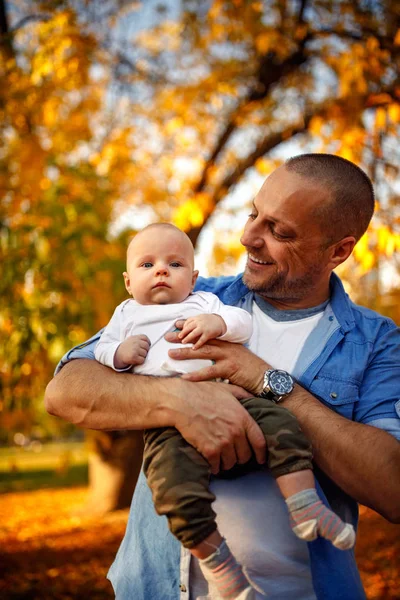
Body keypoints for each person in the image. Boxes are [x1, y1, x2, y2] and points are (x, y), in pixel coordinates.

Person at [45, 154, 400, 600]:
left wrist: (268, 381)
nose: (248, 237)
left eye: (279, 231)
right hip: (160, 589)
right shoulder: (188, 296)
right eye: (254, 214)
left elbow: (393, 489)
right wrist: (181, 401)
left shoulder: (377, 342)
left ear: (339, 251)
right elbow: (65, 390)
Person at [93, 223, 355, 600]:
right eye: (147, 264)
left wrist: (216, 323)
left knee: (282, 421)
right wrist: (119, 354)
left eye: (175, 264)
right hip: (167, 424)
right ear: (128, 282)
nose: (161, 270)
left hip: (231, 396)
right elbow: (101, 351)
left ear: (194, 278)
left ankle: (304, 505)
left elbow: (240, 323)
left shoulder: (204, 303)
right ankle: (219, 563)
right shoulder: (126, 314)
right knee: (171, 490)